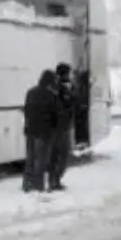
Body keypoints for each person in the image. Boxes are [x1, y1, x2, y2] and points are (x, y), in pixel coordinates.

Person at [21, 70, 57, 192]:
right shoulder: (50, 95)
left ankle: (26, 183)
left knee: (30, 158)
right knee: (41, 160)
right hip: (43, 132)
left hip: (30, 130)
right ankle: (38, 184)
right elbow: (54, 114)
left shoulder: (30, 92)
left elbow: (26, 110)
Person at [47, 63, 76, 191]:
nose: (70, 76)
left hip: (55, 127)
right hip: (61, 127)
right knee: (63, 155)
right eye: (69, 73)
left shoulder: (53, 87)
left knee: (55, 155)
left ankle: (53, 180)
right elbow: (70, 103)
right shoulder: (62, 89)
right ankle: (55, 181)